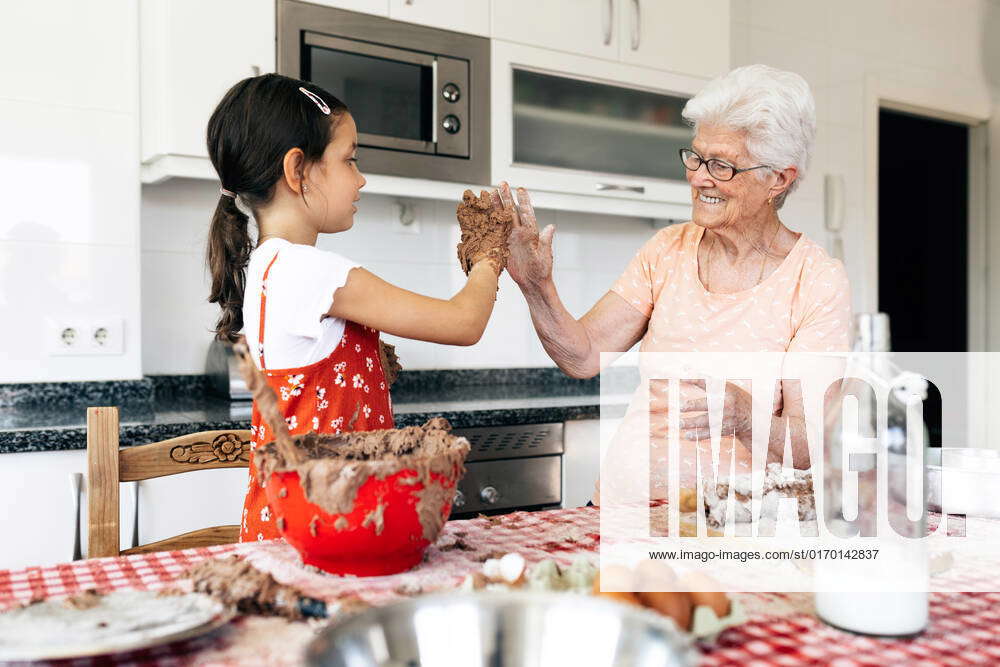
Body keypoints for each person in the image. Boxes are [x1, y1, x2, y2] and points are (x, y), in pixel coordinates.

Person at [498, 65, 853, 503]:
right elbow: (584, 355)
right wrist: (537, 286)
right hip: (620, 507)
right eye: (697, 157)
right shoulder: (667, 249)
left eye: (722, 165)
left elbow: (812, 446)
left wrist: (743, 415)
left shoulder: (816, 280)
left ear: (778, 178)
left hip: (727, 529)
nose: (700, 177)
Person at [205, 74, 508, 541]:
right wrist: (489, 251)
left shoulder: (269, 262)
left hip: (285, 520)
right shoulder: (312, 271)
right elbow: (464, 323)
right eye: (349, 159)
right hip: (325, 523)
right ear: (297, 170)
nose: (361, 177)